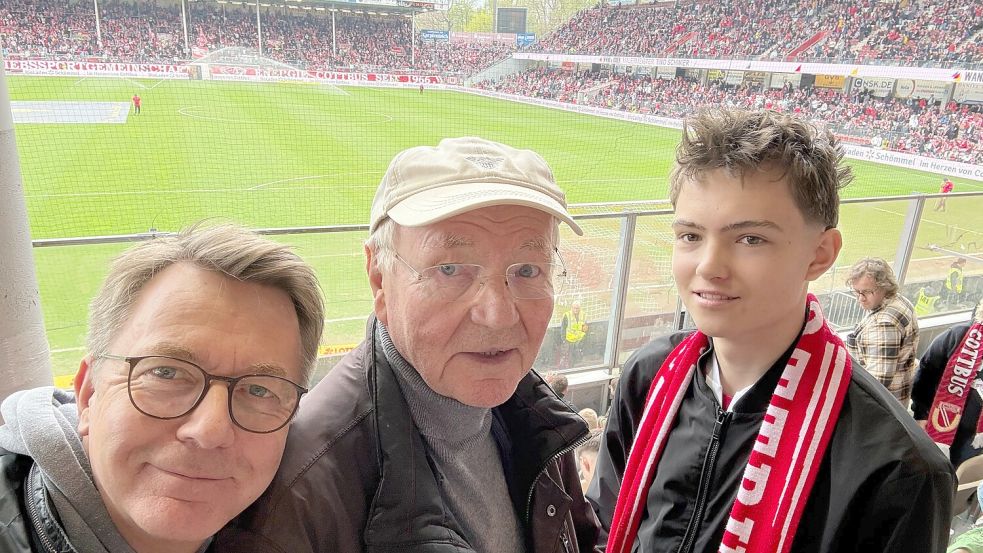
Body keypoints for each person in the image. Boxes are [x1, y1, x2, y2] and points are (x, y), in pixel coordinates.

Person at [588, 109, 953, 553]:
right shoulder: (648, 377)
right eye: (690, 236)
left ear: (820, 254)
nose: (708, 267)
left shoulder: (899, 470)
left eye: (750, 239)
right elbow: (605, 526)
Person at [217, 137, 599, 553]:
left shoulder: (533, 414)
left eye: (527, 269)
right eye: (450, 269)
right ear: (379, 279)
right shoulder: (298, 498)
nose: (499, 314)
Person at [0, 224, 324, 553]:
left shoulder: (294, 525)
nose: (209, 431)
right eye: (166, 372)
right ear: (88, 393)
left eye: (258, 391)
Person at [911, 298, 983, 468]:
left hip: (975, 440)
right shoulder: (957, 336)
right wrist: (920, 414)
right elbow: (925, 373)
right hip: (939, 426)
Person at [845, 257, 919, 405]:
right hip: (897, 400)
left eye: (866, 292)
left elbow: (877, 383)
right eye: (856, 291)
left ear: (884, 287)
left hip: (881, 411)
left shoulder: (883, 324)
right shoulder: (899, 300)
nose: (860, 298)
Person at [560, 300, 589, 368]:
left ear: (580, 308)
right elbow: (563, 328)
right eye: (574, 308)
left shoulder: (583, 315)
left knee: (578, 357)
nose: (576, 310)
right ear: (572, 308)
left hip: (579, 340)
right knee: (570, 358)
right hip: (569, 340)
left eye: (577, 308)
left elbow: (585, 329)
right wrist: (564, 340)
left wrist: (583, 339)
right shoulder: (567, 315)